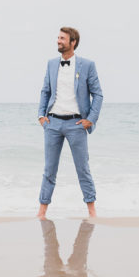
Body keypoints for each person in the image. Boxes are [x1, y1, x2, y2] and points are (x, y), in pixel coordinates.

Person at [37, 26, 103, 219]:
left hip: (76, 125)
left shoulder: (87, 65)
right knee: (49, 170)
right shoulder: (51, 64)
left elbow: (97, 94)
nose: (58, 41)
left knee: (83, 169)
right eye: (58, 37)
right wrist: (41, 116)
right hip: (53, 124)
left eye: (62, 38)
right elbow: (45, 91)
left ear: (73, 42)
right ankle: (41, 212)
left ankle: (92, 211)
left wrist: (90, 119)